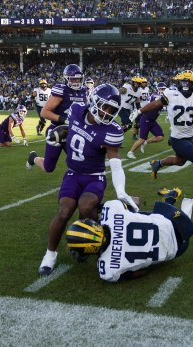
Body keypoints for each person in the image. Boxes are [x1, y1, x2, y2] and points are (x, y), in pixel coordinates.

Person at [37, 83, 138, 276]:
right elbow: (66, 125)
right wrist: (59, 134)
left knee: (84, 207)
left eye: (112, 110)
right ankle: (50, 255)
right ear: (93, 101)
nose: (107, 113)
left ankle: (96, 240)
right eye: (105, 107)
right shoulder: (75, 110)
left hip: (94, 177)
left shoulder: (111, 130)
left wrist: (121, 191)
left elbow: (115, 162)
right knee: (64, 210)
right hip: (73, 175)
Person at [135, 70, 193, 202]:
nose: (185, 84)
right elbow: (156, 104)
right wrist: (139, 111)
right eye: (183, 81)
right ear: (179, 82)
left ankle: (157, 163)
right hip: (177, 138)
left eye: (188, 82)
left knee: (179, 161)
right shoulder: (171, 93)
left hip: (189, 137)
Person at [65, 187, 193, 282]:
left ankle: (170, 199)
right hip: (173, 220)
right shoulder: (111, 209)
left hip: (179, 249)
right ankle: (169, 200)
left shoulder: (108, 270)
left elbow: (139, 272)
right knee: (135, 215)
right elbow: (136, 201)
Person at [26, 64, 87, 173]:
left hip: (73, 132)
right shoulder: (61, 90)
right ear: (66, 79)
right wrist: (65, 119)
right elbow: (44, 112)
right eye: (73, 79)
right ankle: (33, 158)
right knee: (48, 167)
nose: (76, 81)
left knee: (80, 163)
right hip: (56, 131)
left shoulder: (83, 91)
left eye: (78, 79)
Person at [127, 82, 167, 159]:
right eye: (161, 89)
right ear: (158, 89)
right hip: (146, 119)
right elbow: (159, 101)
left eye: (164, 89)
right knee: (142, 138)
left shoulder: (164, 96)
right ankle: (130, 152)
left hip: (152, 120)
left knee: (160, 137)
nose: (163, 90)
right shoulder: (155, 95)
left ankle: (145, 143)